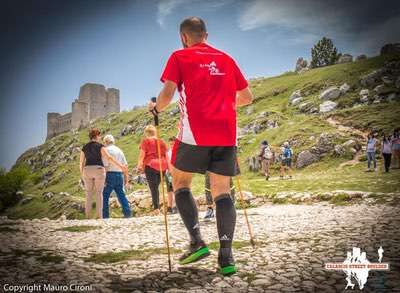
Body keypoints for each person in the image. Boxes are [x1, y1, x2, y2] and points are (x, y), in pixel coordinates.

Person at [148, 16, 253, 275]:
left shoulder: (179, 56)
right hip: (226, 135)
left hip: (194, 134)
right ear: (206, 34)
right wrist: (225, 105)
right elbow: (247, 97)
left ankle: (196, 242)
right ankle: (226, 256)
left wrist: (155, 108)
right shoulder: (227, 59)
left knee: (181, 182)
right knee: (222, 193)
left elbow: (168, 93)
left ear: (184, 37)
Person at [79, 128, 128, 219]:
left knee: (88, 193)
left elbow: (81, 162)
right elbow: (109, 158)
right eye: (99, 135)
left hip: (87, 170)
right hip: (98, 170)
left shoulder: (84, 147)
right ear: (97, 136)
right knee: (99, 193)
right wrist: (120, 166)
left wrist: (82, 173)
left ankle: (88, 216)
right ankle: (99, 216)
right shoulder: (100, 146)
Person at [137, 125, 168, 215]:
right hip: (162, 166)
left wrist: (139, 165)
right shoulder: (162, 141)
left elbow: (142, 155)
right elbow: (166, 155)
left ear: (147, 133)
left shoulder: (146, 141)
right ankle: (157, 208)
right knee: (156, 188)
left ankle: (156, 209)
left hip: (151, 165)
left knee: (153, 188)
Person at [102, 134, 132, 218]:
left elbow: (105, 166)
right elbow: (125, 165)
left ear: (105, 142)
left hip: (109, 174)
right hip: (119, 175)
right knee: (121, 195)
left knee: (105, 195)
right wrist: (126, 179)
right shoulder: (119, 150)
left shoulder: (106, 150)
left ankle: (105, 216)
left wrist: (104, 179)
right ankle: (128, 213)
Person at [166, 137, 177, 214]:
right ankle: (169, 207)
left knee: (176, 190)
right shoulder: (168, 152)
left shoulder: (178, 152)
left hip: (176, 173)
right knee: (170, 191)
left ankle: (176, 206)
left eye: (173, 144)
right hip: (169, 173)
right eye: (170, 144)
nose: (171, 146)